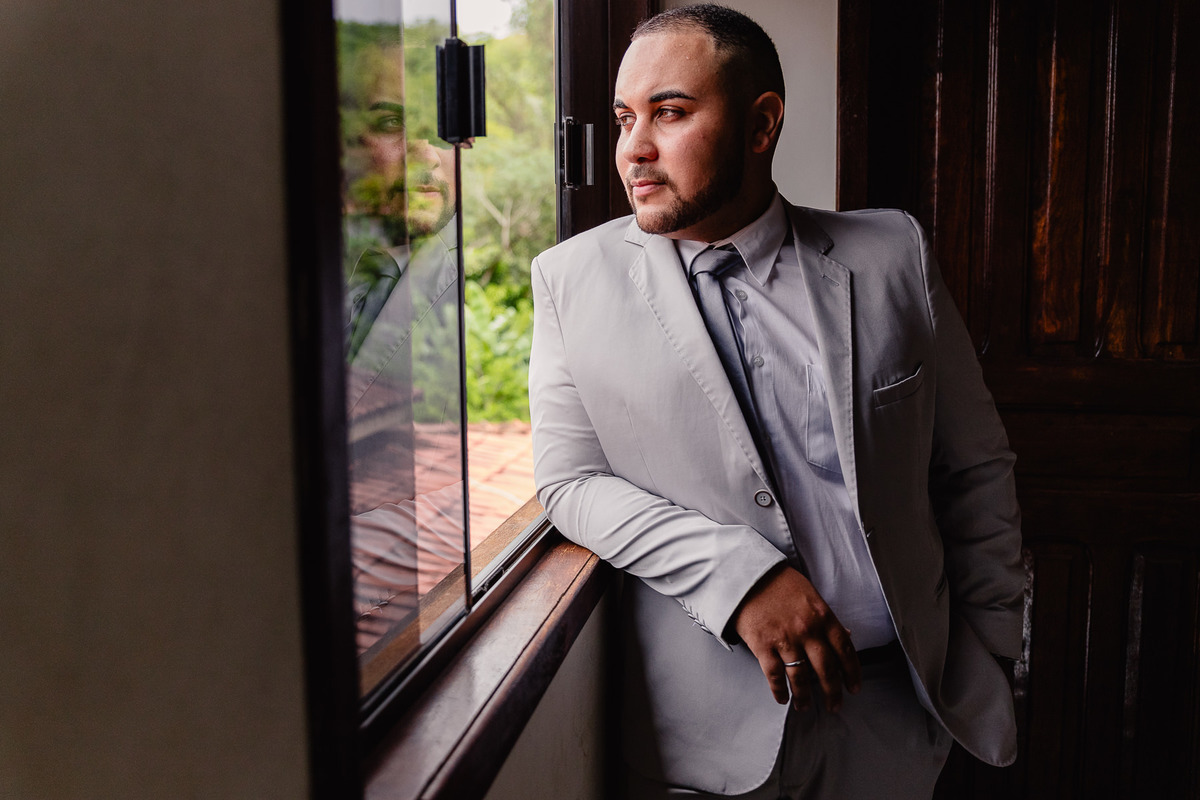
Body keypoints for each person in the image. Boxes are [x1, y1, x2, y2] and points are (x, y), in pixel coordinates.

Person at [527, 4, 1024, 798]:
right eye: (624, 118)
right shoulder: (568, 282)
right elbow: (568, 482)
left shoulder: (892, 255)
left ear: (762, 126)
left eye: (671, 113)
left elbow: (975, 465)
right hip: (702, 743)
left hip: (896, 717)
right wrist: (740, 577)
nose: (635, 149)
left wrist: (992, 648)